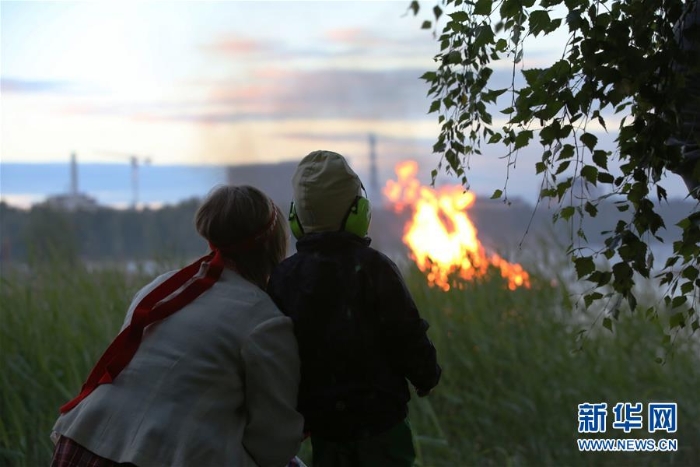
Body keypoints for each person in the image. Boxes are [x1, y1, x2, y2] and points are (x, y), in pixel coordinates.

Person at [51, 185, 305, 467]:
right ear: (274, 243)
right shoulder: (264, 321)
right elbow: (274, 444)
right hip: (164, 457)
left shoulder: (160, 288)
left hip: (83, 443)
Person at [267, 150, 442, 467]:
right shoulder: (376, 269)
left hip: (324, 428)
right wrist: (426, 375)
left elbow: (277, 352)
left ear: (296, 218)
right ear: (359, 212)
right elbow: (406, 332)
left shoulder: (283, 277)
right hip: (382, 424)